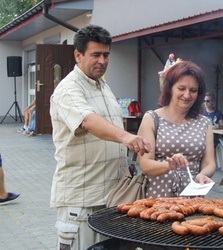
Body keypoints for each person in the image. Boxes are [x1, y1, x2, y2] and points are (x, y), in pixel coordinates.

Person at [49, 24, 151, 250]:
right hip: (82, 202)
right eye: (96, 55)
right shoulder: (69, 89)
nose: (102, 61)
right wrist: (126, 137)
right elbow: (88, 121)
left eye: (106, 55)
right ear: (78, 55)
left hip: (112, 198)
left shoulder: (103, 86)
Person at [137, 60, 215, 198]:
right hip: (158, 197)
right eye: (181, 88)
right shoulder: (151, 118)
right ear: (170, 88)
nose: (187, 95)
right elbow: (145, 164)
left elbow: (209, 163)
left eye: (193, 90)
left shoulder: (205, 123)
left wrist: (202, 175)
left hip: (193, 196)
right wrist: (169, 165)